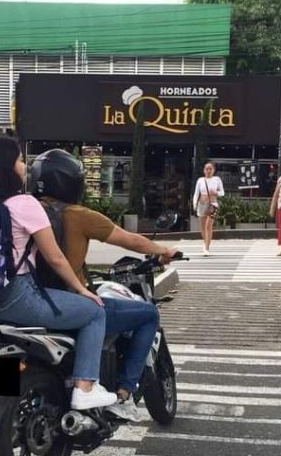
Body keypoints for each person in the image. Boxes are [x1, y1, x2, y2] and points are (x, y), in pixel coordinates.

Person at [0, 136, 117, 411]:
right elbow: (55, 258)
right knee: (94, 313)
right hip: (15, 298)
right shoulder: (24, 204)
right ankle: (85, 388)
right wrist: (82, 291)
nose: (25, 167)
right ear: (8, 166)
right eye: (21, 160)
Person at [30, 149, 179, 421]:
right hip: (63, 303)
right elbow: (129, 240)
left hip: (23, 302)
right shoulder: (78, 214)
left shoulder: (23, 210)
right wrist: (162, 251)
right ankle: (124, 393)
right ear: (72, 182)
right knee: (148, 315)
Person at [192, 162, 224, 256]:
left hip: (213, 204)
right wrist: (194, 204)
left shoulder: (217, 179)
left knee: (208, 226)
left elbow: (222, 192)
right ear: (204, 170)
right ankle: (205, 243)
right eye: (207, 169)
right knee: (202, 227)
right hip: (202, 203)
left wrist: (216, 192)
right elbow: (196, 193)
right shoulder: (200, 180)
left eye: (210, 169)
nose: (208, 171)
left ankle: (206, 247)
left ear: (213, 170)